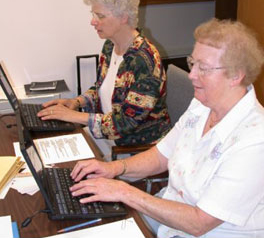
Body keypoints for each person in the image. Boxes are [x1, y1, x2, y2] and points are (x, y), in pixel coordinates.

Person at [69, 18, 264, 238]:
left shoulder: (255, 139)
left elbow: (199, 223)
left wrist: (124, 191)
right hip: (169, 218)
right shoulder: (201, 106)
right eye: (193, 63)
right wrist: (114, 169)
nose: (191, 75)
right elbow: (162, 155)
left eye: (204, 68)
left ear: (236, 76)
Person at [37, 0, 171, 160]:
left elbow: (127, 121)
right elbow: (101, 89)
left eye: (100, 16)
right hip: (108, 137)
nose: (93, 21)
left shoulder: (144, 60)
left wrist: (76, 116)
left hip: (135, 149)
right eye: (93, 14)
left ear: (124, 17)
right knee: (48, 149)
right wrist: (76, 103)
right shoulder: (110, 46)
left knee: (67, 167)